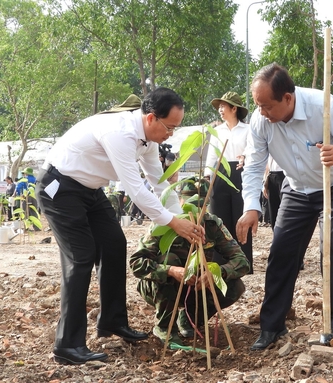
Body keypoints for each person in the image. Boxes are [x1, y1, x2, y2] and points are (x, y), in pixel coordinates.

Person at [35, 88, 205, 365]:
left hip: (89, 190)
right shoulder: (121, 134)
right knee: (81, 257)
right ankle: (67, 345)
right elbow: (136, 190)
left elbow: (158, 182)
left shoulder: (148, 141)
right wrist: (174, 223)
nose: (171, 134)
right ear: (151, 118)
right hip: (59, 187)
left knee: (114, 244)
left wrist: (183, 217)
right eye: (170, 127)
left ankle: (112, 322)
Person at [236, 63, 333, 350]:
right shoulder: (262, 122)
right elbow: (254, 164)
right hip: (297, 188)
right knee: (282, 252)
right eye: (258, 105)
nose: (261, 112)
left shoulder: (325, 106)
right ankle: (272, 325)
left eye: (267, 106)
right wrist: (251, 207)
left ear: (287, 98)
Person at [130, 177, 249, 345]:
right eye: (191, 204)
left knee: (235, 286)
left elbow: (241, 261)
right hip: (160, 286)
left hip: (196, 285)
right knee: (169, 259)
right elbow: (136, 263)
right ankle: (165, 326)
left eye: (202, 205)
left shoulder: (212, 225)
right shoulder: (164, 223)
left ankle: (190, 318)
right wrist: (171, 270)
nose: (197, 211)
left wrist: (216, 273)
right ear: (180, 201)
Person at [204, 91, 253, 274]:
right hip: (221, 174)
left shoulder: (247, 130)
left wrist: (246, 157)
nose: (220, 110)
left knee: (240, 216)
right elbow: (211, 156)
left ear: (234, 108)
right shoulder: (217, 131)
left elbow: (252, 150)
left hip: (241, 173)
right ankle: (220, 262)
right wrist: (207, 177)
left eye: (224, 106)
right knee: (220, 217)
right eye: (219, 107)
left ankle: (243, 262)